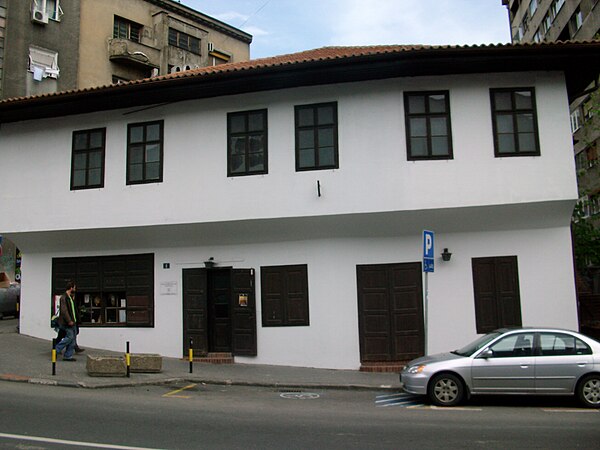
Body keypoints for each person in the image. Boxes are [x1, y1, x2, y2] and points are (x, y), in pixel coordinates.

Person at [54, 280, 82, 361]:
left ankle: (68, 356)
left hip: (73, 322)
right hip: (67, 323)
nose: (75, 289)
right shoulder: (64, 298)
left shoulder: (71, 298)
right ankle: (56, 350)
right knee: (69, 337)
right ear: (71, 288)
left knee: (72, 339)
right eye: (74, 288)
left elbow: (74, 310)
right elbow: (64, 310)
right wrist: (69, 320)